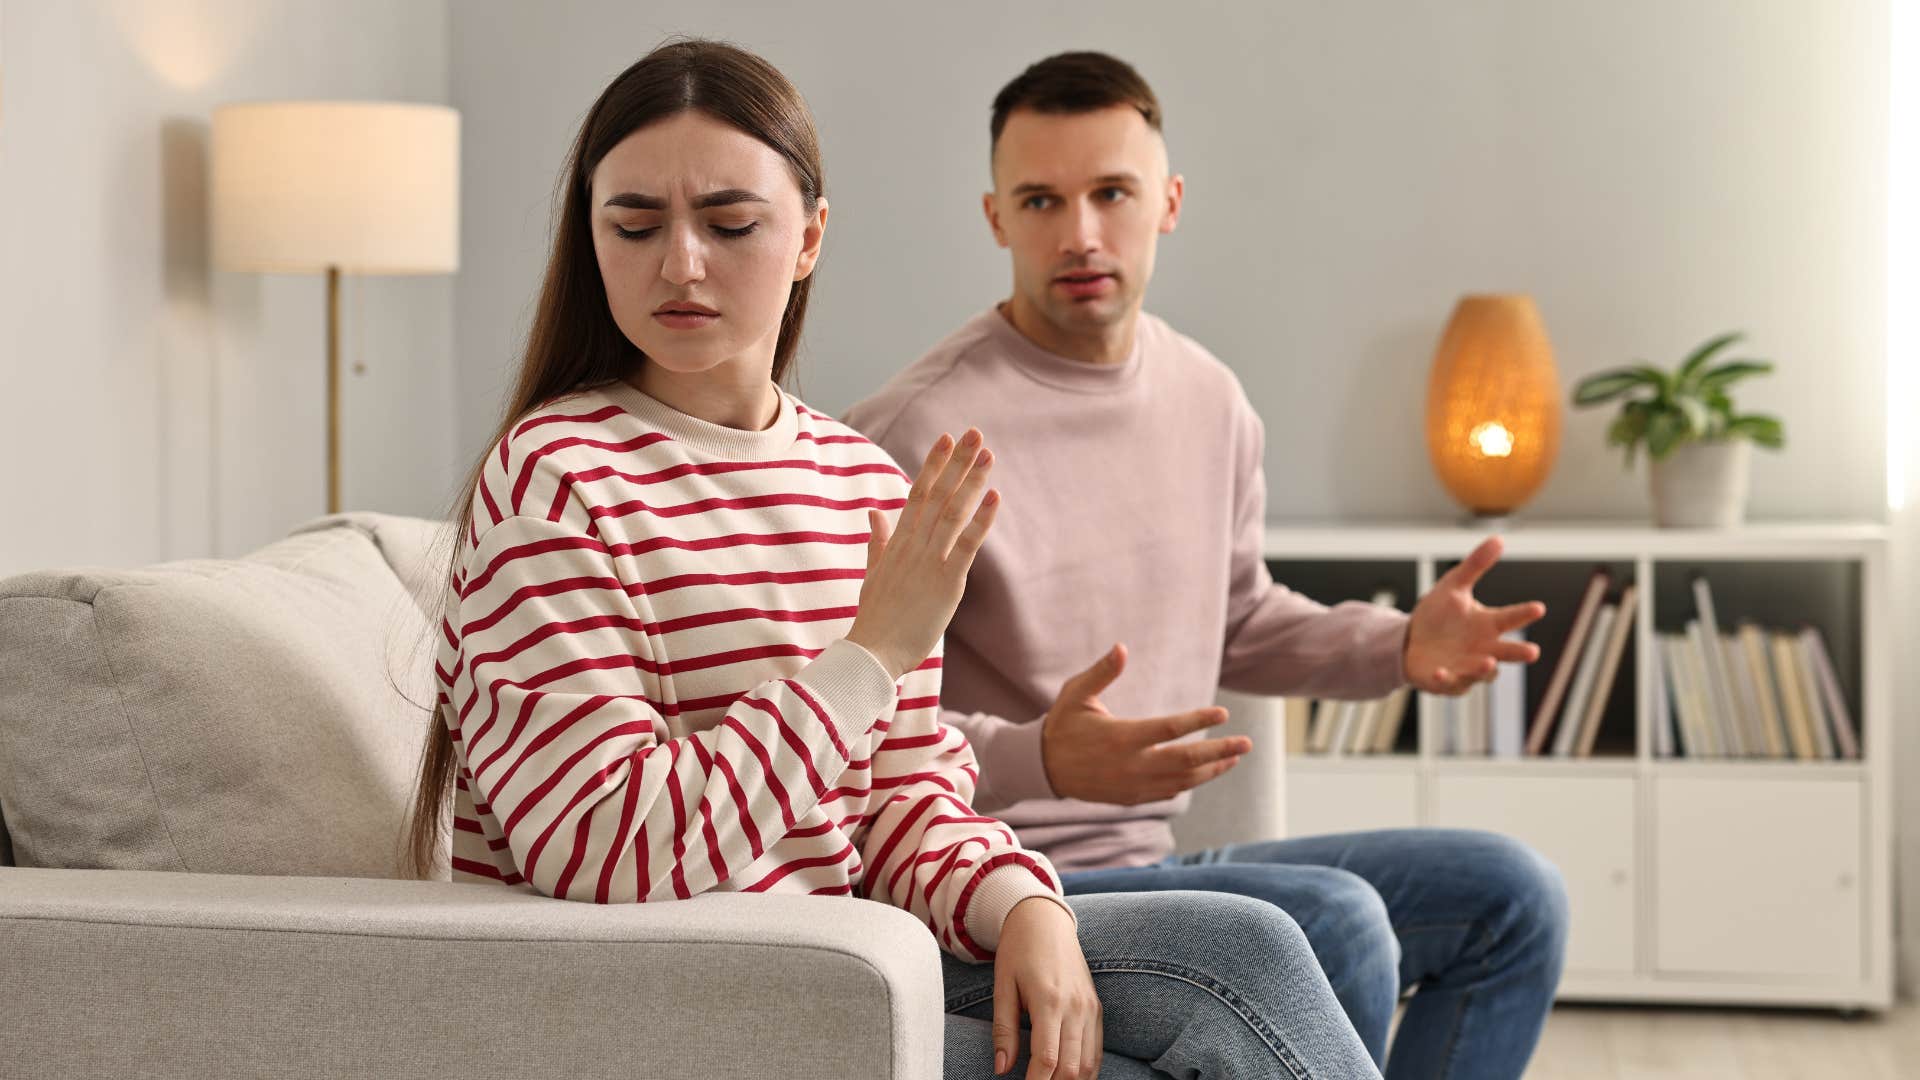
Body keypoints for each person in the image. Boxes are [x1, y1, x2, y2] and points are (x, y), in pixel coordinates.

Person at [406, 39, 1383, 1080]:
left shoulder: (860, 481)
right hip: (668, 998)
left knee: (1256, 949)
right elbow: (599, 849)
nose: (679, 263)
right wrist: (867, 656)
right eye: (634, 225)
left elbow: (899, 800)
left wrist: (1023, 906)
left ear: (811, 237)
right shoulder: (555, 477)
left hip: (848, 955)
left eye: (730, 224)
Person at [845, 51, 1570, 1080]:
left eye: (1111, 194)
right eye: (1042, 200)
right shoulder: (911, 435)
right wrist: (1042, 757)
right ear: (997, 217)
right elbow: (857, 720)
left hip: (1161, 866)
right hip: (992, 875)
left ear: (1168, 202)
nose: (1080, 233)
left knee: (1513, 894)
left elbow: (1239, 622)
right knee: (1341, 919)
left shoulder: (1209, 399)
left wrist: (1399, 645)